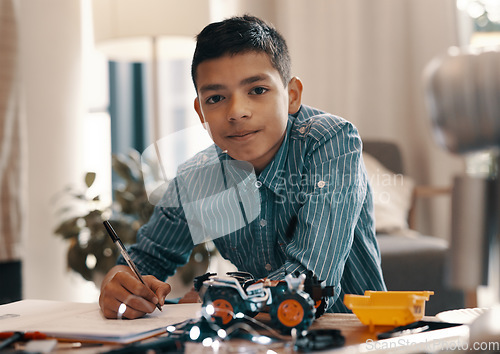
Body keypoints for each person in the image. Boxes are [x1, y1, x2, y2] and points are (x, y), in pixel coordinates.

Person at [99, 14, 386, 320]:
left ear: (292, 96)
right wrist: (119, 283)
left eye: (257, 90)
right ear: (200, 111)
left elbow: (312, 282)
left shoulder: (330, 141)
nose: (236, 112)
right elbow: (144, 262)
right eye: (216, 98)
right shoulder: (197, 176)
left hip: (356, 334)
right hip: (257, 337)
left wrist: (219, 295)